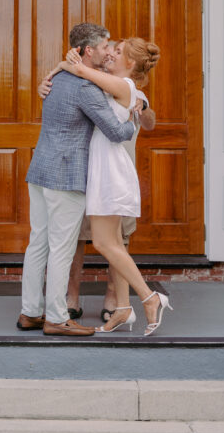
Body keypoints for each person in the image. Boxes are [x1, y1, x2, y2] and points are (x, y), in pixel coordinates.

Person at [18, 23, 136, 337]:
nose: (109, 50)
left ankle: (30, 312)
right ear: (86, 51)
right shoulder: (86, 87)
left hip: (40, 169)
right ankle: (57, 318)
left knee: (38, 243)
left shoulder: (57, 77)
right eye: (104, 46)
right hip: (65, 176)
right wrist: (133, 117)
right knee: (61, 248)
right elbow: (114, 132)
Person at [55, 37, 171, 335]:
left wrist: (70, 61)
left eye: (117, 52)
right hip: (105, 169)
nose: (110, 54)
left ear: (130, 63)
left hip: (111, 173)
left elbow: (80, 71)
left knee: (106, 243)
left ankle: (149, 297)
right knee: (114, 244)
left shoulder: (126, 88)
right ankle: (122, 308)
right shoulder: (115, 85)